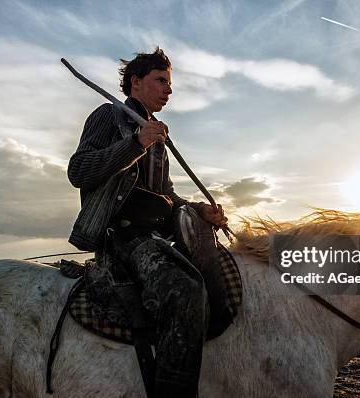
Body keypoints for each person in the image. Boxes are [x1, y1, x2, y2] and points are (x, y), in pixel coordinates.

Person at [67, 47, 227, 397]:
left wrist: (199, 210)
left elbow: (166, 195)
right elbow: (78, 171)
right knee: (185, 290)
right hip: (124, 239)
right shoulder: (110, 116)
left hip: (154, 235)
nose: (168, 90)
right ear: (135, 82)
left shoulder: (156, 134)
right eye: (161, 81)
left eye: (170, 83)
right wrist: (136, 144)